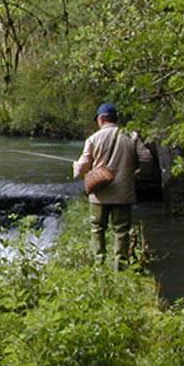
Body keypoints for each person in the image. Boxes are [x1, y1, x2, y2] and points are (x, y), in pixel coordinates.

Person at [72, 102, 153, 267]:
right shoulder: (132, 136)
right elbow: (147, 159)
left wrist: (76, 167)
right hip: (124, 193)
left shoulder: (93, 139)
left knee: (97, 228)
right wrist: (137, 174)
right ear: (115, 119)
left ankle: (99, 263)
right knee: (122, 230)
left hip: (99, 194)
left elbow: (82, 168)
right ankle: (120, 265)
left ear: (101, 119)